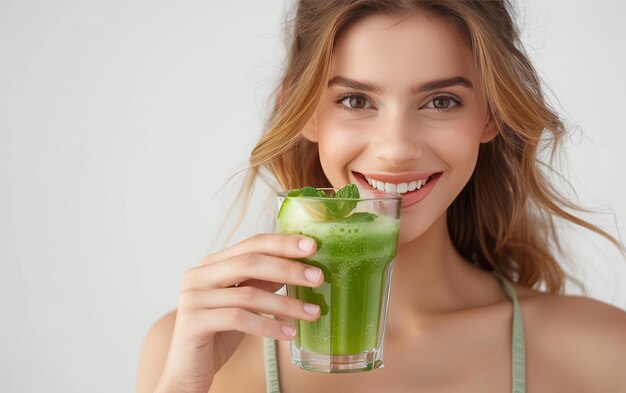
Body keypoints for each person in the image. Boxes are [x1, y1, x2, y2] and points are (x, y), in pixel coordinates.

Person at [136, 1, 626, 392]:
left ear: (490, 115)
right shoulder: (193, 349)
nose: (395, 150)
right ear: (302, 109)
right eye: (356, 100)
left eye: (441, 101)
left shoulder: (603, 351)